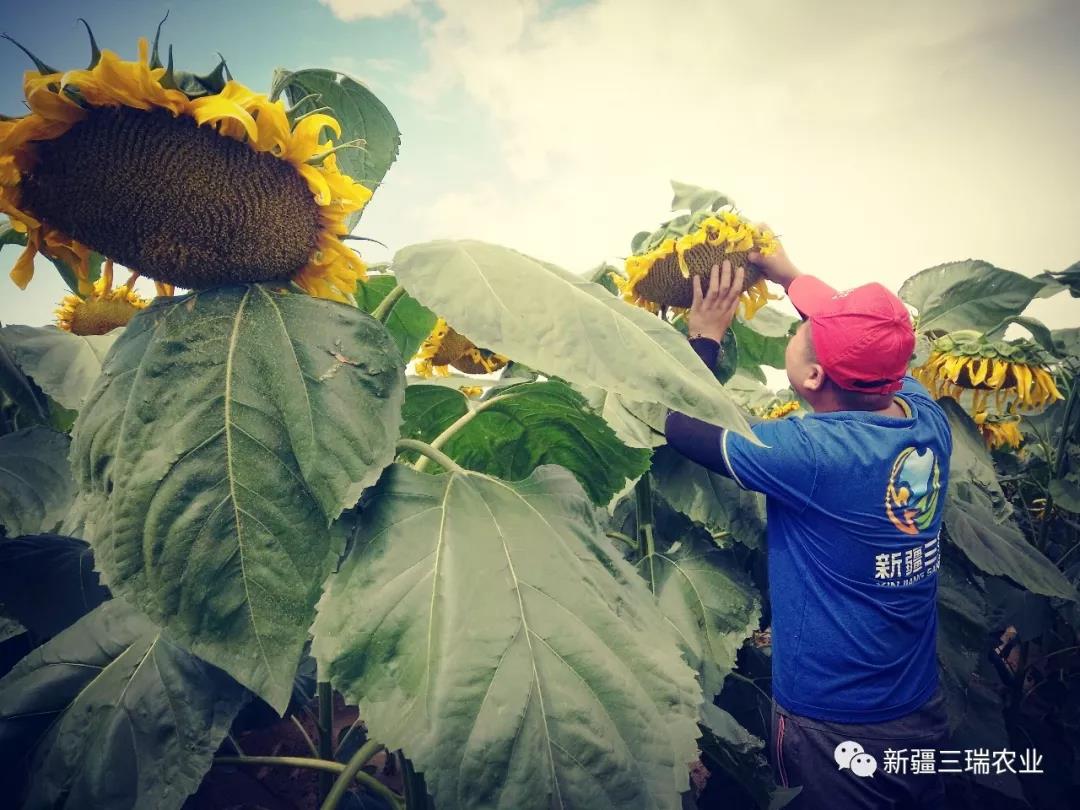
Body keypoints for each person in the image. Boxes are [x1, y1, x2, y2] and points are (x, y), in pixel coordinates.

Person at [664, 238, 953, 809]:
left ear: (814, 375)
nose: (801, 327)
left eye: (805, 333)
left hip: (833, 724)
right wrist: (787, 272)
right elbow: (865, 345)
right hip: (915, 701)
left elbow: (679, 425)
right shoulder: (923, 416)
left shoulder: (809, 453)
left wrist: (705, 335)